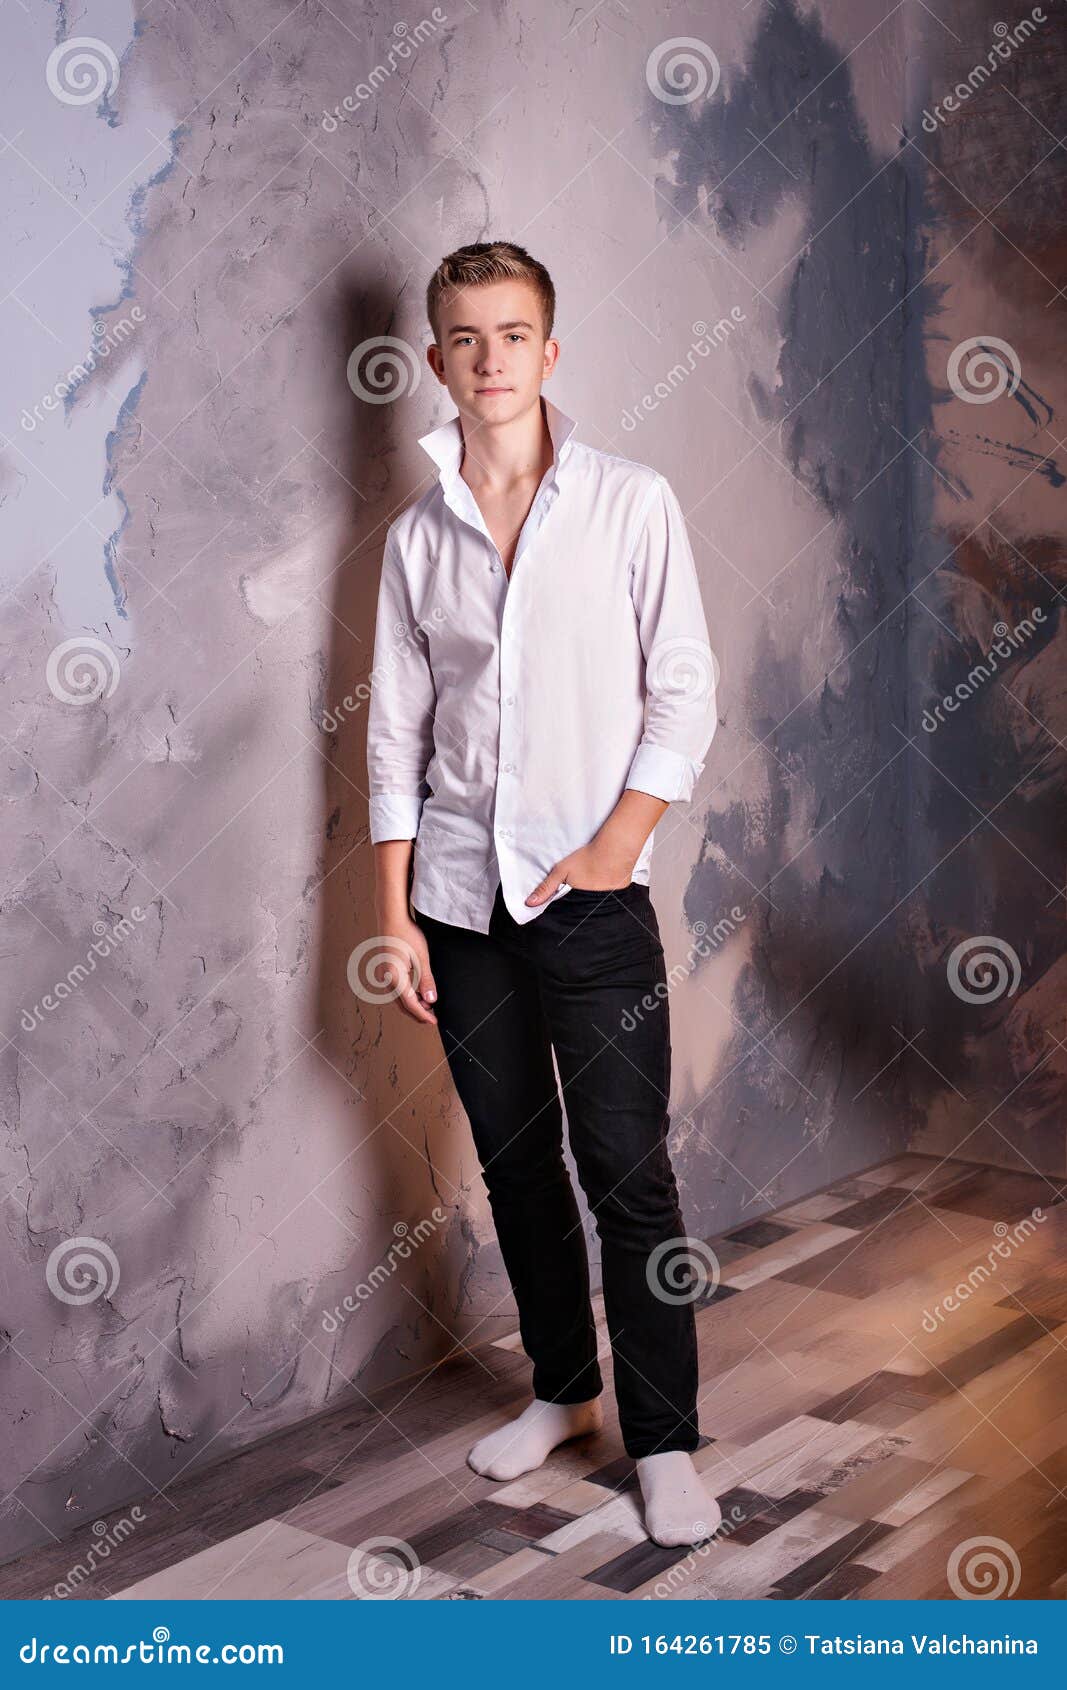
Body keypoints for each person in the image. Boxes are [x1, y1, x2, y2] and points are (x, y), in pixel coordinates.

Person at [365, 240, 721, 1548]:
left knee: (627, 1169)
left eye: (513, 333)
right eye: (466, 336)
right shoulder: (419, 536)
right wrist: (395, 913)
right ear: (439, 359)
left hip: (593, 898)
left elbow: (685, 687)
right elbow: (394, 731)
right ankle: (566, 1392)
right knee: (516, 1168)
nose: (491, 356)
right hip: (460, 908)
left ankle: (666, 1435)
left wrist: (620, 843)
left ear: (549, 352)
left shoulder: (632, 502)